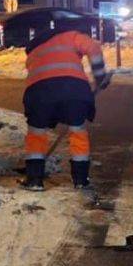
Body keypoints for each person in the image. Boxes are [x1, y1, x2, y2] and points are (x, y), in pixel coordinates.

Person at [21, 21, 111, 196]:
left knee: (37, 132)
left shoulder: (33, 52)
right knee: (77, 130)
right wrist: (99, 75)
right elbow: (92, 46)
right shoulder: (70, 36)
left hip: (39, 94)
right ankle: (80, 180)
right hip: (74, 90)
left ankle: (34, 179)